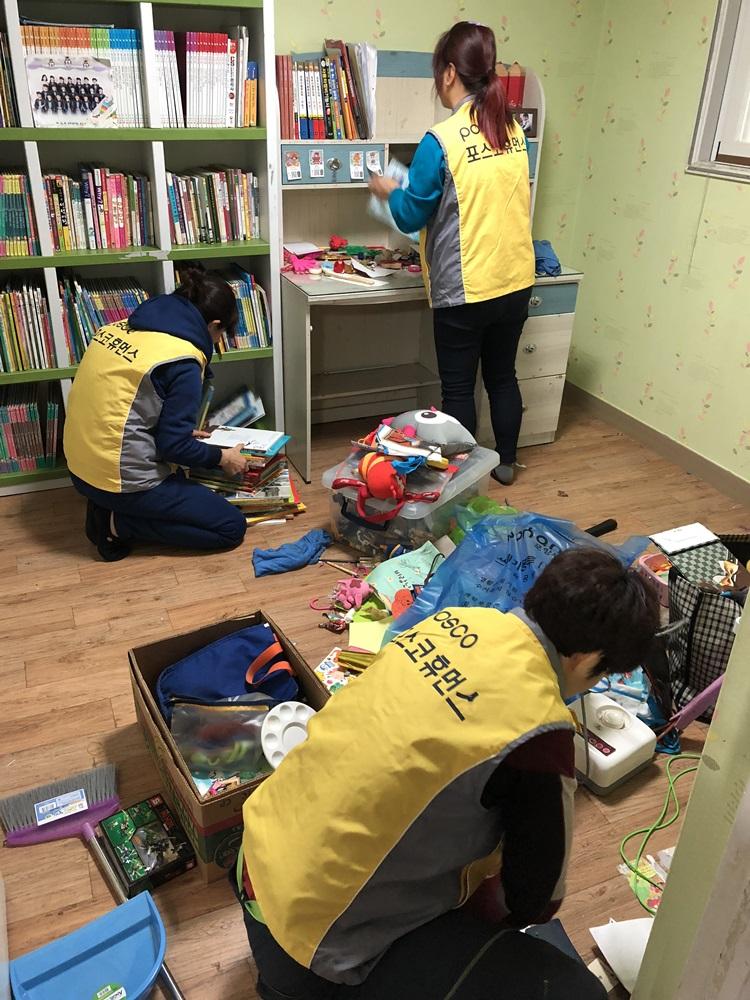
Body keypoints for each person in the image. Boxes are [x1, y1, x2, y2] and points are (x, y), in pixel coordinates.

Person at [233, 547, 659, 999]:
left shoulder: (456, 621)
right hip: (314, 945)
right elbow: (536, 899)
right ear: (589, 658)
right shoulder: (540, 728)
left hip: (255, 859)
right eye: (601, 674)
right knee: (575, 991)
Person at [369, 22, 534, 487]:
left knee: (459, 387)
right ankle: (505, 462)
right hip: (516, 281)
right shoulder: (512, 130)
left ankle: (460, 476)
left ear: (448, 73)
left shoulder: (439, 140)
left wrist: (389, 190)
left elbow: (410, 214)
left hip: (466, 288)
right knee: (502, 377)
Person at [63, 267, 249, 561]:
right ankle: (116, 524)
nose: (217, 341)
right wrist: (223, 458)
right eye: (221, 333)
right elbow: (173, 447)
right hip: (122, 483)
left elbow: (122, 406)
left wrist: (178, 430)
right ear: (214, 325)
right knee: (231, 526)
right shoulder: (182, 360)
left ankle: (108, 506)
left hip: (80, 470)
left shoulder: (116, 329)